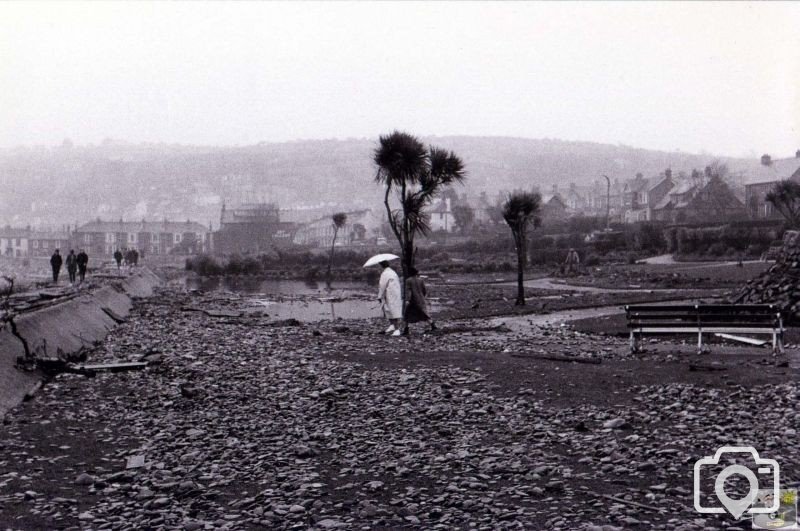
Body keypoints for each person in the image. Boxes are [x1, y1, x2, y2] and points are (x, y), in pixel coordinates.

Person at [403, 267, 436, 335]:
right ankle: (433, 325)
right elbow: (424, 290)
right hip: (421, 299)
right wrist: (422, 297)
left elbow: (409, 291)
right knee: (424, 313)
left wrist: (407, 300)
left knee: (407, 315)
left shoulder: (408, 280)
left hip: (413, 300)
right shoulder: (421, 280)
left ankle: (406, 329)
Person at [377, 260, 403, 336]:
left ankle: (397, 329)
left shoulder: (385, 273)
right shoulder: (392, 272)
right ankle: (392, 325)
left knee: (392, 311)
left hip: (390, 294)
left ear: (381, 266)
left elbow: (382, 286)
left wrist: (379, 296)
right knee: (389, 310)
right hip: (395, 293)